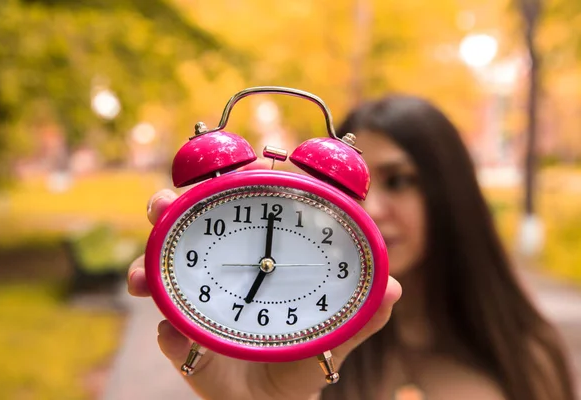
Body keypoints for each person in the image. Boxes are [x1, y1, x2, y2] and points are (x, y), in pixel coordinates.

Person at [127, 94, 576, 400]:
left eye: (400, 181)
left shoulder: (524, 349)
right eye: (353, 193)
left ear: (450, 195)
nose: (372, 209)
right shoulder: (305, 357)